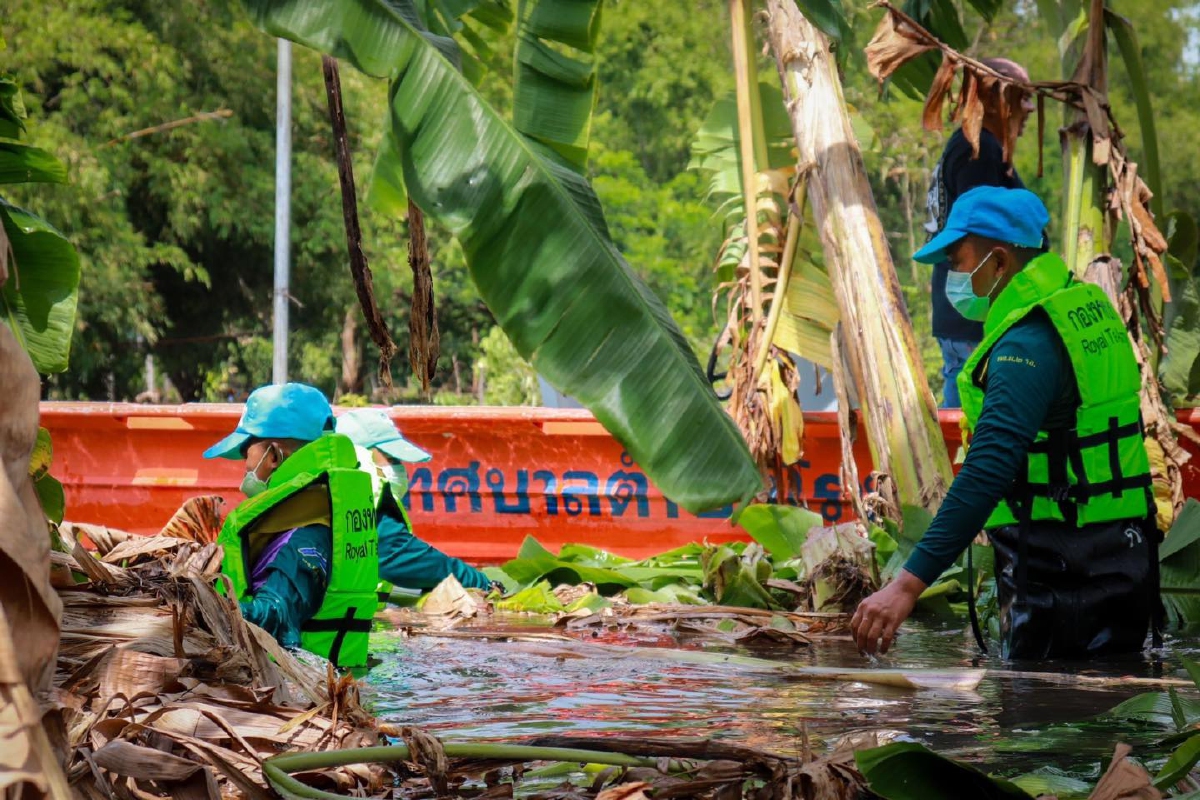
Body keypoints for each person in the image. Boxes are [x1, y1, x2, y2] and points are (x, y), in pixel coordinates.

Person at [852, 186, 1158, 660]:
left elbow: (989, 467)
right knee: (1110, 709)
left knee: (1041, 721)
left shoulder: (1025, 346)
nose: (951, 275)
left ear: (997, 261)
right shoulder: (1078, 306)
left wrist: (907, 585)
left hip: (1065, 574)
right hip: (1119, 556)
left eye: (957, 260)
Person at [205, 383, 378, 668]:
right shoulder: (320, 514)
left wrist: (200, 604)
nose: (245, 466)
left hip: (303, 698)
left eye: (247, 450)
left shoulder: (304, 535)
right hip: (337, 686)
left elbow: (276, 614)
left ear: (273, 456)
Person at [925, 57, 1036, 407]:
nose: (1030, 109)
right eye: (1021, 97)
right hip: (976, 319)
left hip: (968, 317)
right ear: (991, 100)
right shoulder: (978, 150)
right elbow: (987, 240)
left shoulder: (976, 147)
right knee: (977, 428)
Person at [334, 408, 493, 593]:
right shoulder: (364, 509)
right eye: (392, 458)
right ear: (359, 456)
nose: (400, 469)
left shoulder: (334, 495)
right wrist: (484, 584)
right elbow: (402, 556)